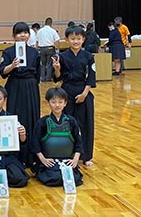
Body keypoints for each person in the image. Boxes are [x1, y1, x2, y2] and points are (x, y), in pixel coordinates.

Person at [52, 26, 96, 166]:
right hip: (67, 91)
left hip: (84, 90)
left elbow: (91, 76)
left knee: (86, 123)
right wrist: (57, 68)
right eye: (72, 38)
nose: (75, 41)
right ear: (67, 39)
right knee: (67, 123)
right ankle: (67, 153)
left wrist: (84, 93)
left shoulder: (89, 56)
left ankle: (86, 155)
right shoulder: (63, 56)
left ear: (83, 39)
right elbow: (58, 78)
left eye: (78, 38)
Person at [0, 22, 41, 166]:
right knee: (14, 116)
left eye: (25, 32)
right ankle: (15, 156)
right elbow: (2, 72)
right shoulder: (8, 52)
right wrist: (12, 65)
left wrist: (32, 85)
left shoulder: (35, 52)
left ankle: (32, 155)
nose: (22, 35)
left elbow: (38, 75)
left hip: (30, 86)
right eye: (19, 33)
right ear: (13, 36)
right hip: (15, 85)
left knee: (32, 117)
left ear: (29, 35)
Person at [31, 87, 83, 186]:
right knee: (54, 178)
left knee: (74, 179)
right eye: (53, 102)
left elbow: (78, 142)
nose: (57, 105)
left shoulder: (71, 121)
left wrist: (75, 159)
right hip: (49, 161)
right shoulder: (42, 122)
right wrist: (43, 159)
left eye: (60, 102)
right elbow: (35, 143)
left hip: (67, 160)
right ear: (47, 102)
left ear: (65, 103)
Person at [36, 17, 60, 82]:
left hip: (41, 49)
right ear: (51, 23)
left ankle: (42, 78)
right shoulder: (53, 31)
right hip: (50, 48)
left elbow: (37, 42)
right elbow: (57, 40)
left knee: (42, 64)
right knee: (49, 64)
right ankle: (48, 78)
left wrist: (37, 49)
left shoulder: (40, 31)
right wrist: (57, 49)